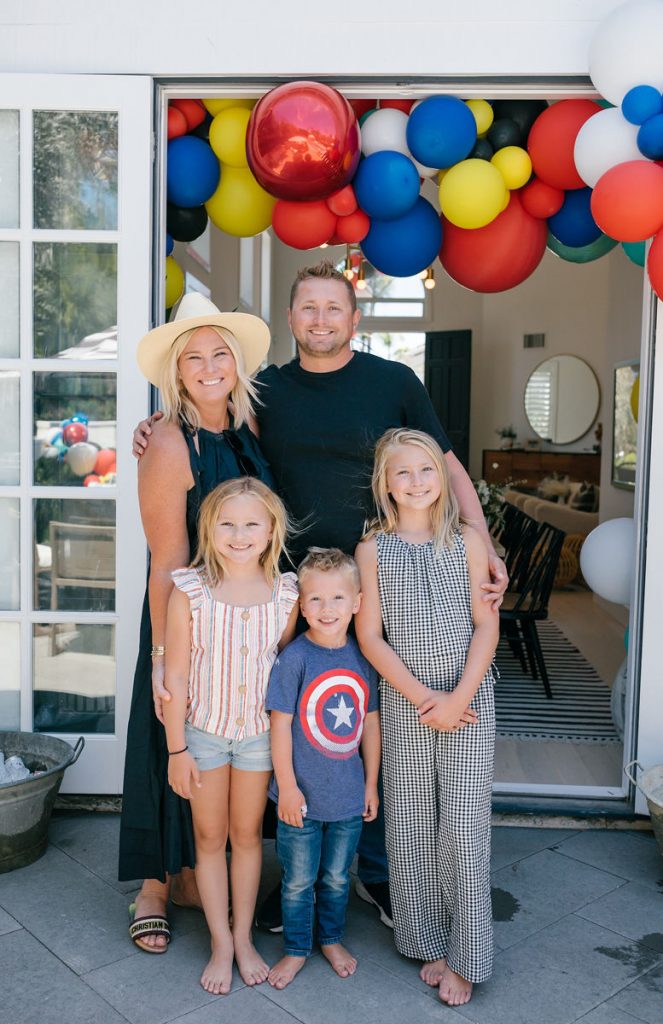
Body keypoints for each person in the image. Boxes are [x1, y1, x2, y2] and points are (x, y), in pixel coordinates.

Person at [132, 260, 507, 930]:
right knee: (294, 726)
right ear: (290, 318)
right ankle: (294, 877)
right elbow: (204, 421)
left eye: (334, 308)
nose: (321, 319)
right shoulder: (267, 392)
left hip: (383, 581)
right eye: (308, 307)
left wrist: (483, 545)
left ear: (354, 318)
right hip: (285, 595)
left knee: (375, 721)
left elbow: (445, 463)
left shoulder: (393, 382)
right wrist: (157, 426)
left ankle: (378, 872)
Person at [120, 292, 275, 954]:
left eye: (219, 354)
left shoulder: (252, 427)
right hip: (184, 620)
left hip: (248, 621)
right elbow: (166, 562)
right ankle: (153, 887)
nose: (209, 368)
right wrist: (163, 659)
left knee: (231, 748)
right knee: (170, 741)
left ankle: (207, 873)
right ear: (176, 373)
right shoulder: (165, 441)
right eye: (193, 358)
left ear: (236, 363)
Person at [354, 428, 498, 1007]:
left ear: (443, 478)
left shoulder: (467, 541)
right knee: (410, 822)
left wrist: (458, 697)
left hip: (469, 701)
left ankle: (469, 953)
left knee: (463, 826)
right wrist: (421, 698)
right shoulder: (372, 550)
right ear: (385, 484)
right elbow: (370, 636)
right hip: (405, 702)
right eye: (402, 472)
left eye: (427, 470)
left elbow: (486, 625)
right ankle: (425, 939)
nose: (416, 482)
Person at [163, 476, 299, 993]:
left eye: (251, 525)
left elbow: (283, 667)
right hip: (203, 735)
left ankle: (243, 937)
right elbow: (175, 677)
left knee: (246, 837)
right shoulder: (190, 592)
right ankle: (219, 941)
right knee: (209, 837)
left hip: (259, 737)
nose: (239, 535)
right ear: (209, 528)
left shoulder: (285, 594)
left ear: (270, 530)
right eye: (227, 524)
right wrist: (176, 748)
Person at [265, 548, 380, 990]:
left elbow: (370, 723)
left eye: (337, 598)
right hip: (299, 799)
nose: (326, 609)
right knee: (297, 881)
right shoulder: (295, 659)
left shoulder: (363, 658)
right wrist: (287, 787)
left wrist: (370, 784)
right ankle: (296, 948)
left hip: (347, 796)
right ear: (301, 604)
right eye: (315, 599)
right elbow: (280, 726)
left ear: (357, 602)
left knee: (335, 877)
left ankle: (331, 939)